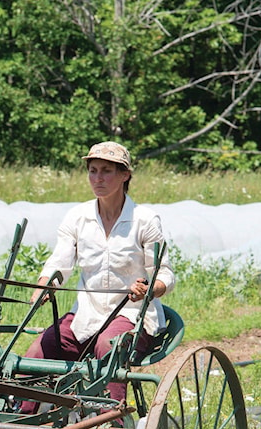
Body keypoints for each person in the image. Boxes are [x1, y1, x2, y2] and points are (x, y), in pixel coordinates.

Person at [21, 141, 175, 409]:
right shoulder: (77, 217)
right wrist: (45, 285)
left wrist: (149, 288)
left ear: (125, 174)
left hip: (131, 316)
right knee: (38, 351)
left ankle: (111, 424)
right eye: (92, 170)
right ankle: (19, 426)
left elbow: (165, 274)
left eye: (106, 171)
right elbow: (59, 263)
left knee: (108, 347)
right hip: (85, 316)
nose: (98, 178)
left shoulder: (145, 220)